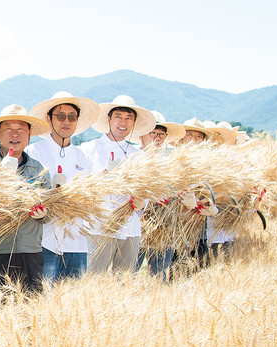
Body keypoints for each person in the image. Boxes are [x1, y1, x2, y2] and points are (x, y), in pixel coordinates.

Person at [0, 105, 51, 297]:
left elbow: (50, 212)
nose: (15, 134)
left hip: (29, 251)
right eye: (8, 128)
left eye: (21, 129)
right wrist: (0, 177)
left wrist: (44, 213)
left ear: (29, 134)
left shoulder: (38, 169)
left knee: (30, 313)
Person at [26, 93, 98, 283]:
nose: (66, 121)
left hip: (76, 242)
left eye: (72, 117)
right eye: (60, 116)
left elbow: (92, 197)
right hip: (43, 241)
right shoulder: (34, 153)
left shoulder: (83, 158)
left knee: (73, 304)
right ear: (49, 119)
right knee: (43, 300)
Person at [85, 95, 155, 273]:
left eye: (128, 118)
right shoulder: (90, 149)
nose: (123, 122)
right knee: (93, 281)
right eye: (118, 116)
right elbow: (81, 187)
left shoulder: (138, 155)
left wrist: (142, 204)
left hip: (130, 229)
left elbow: (145, 192)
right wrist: (101, 179)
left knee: (125, 284)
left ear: (134, 123)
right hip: (99, 227)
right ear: (108, 118)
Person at [135, 111, 185, 278]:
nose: (157, 138)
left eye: (161, 135)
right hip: (137, 225)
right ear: (144, 135)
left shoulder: (170, 162)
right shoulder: (133, 158)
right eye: (153, 133)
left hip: (163, 225)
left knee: (159, 276)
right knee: (129, 272)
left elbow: (179, 189)